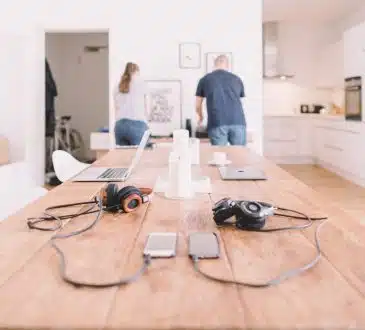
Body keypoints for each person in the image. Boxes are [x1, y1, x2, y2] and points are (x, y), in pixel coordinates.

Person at [195, 54, 246, 146]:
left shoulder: (205, 79)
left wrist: (201, 117)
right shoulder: (237, 79)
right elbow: (240, 101)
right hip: (238, 122)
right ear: (227, 65)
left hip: (217, 122)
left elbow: (198, 105)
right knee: (240, 155)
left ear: (214, 65)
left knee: (219, 155)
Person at [113, 62, 149, 145]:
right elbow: (147, 107)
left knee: (123, 157)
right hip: (137, 124)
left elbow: (116, 107)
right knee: (139, 156)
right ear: (136, 71)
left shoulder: (118, 86)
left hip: (120, 126)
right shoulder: (141, 83)